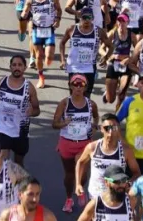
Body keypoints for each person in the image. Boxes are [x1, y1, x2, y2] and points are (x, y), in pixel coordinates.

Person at [52, 74, 99, 213]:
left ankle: (80, 188)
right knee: (69, 174)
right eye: (75, 84)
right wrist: (63, 123)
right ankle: (68, 198)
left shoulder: (91, 104)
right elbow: (54, 124)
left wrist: (94, 126)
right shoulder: (64, 103)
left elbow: (96, 117)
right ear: (71, 86)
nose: (78, 87)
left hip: (84, 143)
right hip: (67, 142)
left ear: (86, 87)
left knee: (82, 172)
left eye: (82, 85)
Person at [74, 113, 141, 203]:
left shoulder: (126, 150)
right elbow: (80, 162)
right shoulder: (92, 147)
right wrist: (78, 184)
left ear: (118, 129)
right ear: (101, 129)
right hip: (95, 195)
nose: (110, 132)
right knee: (91, 217)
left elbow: (136, 173)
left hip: (116, 197)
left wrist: (127, 184)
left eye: (114, 128)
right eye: (107, 128)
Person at [0, 55, 40, 165]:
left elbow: (37, 110)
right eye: (14, 65)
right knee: (2, 158)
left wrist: (32, 112)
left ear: (25, 68)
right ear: (10, 67)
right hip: (2, 127)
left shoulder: (29, 88)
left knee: (18, 164)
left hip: (20, 131)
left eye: (20, 65)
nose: (17, 67)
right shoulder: (1, 82)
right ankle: (2, 179)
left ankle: (18, 181)